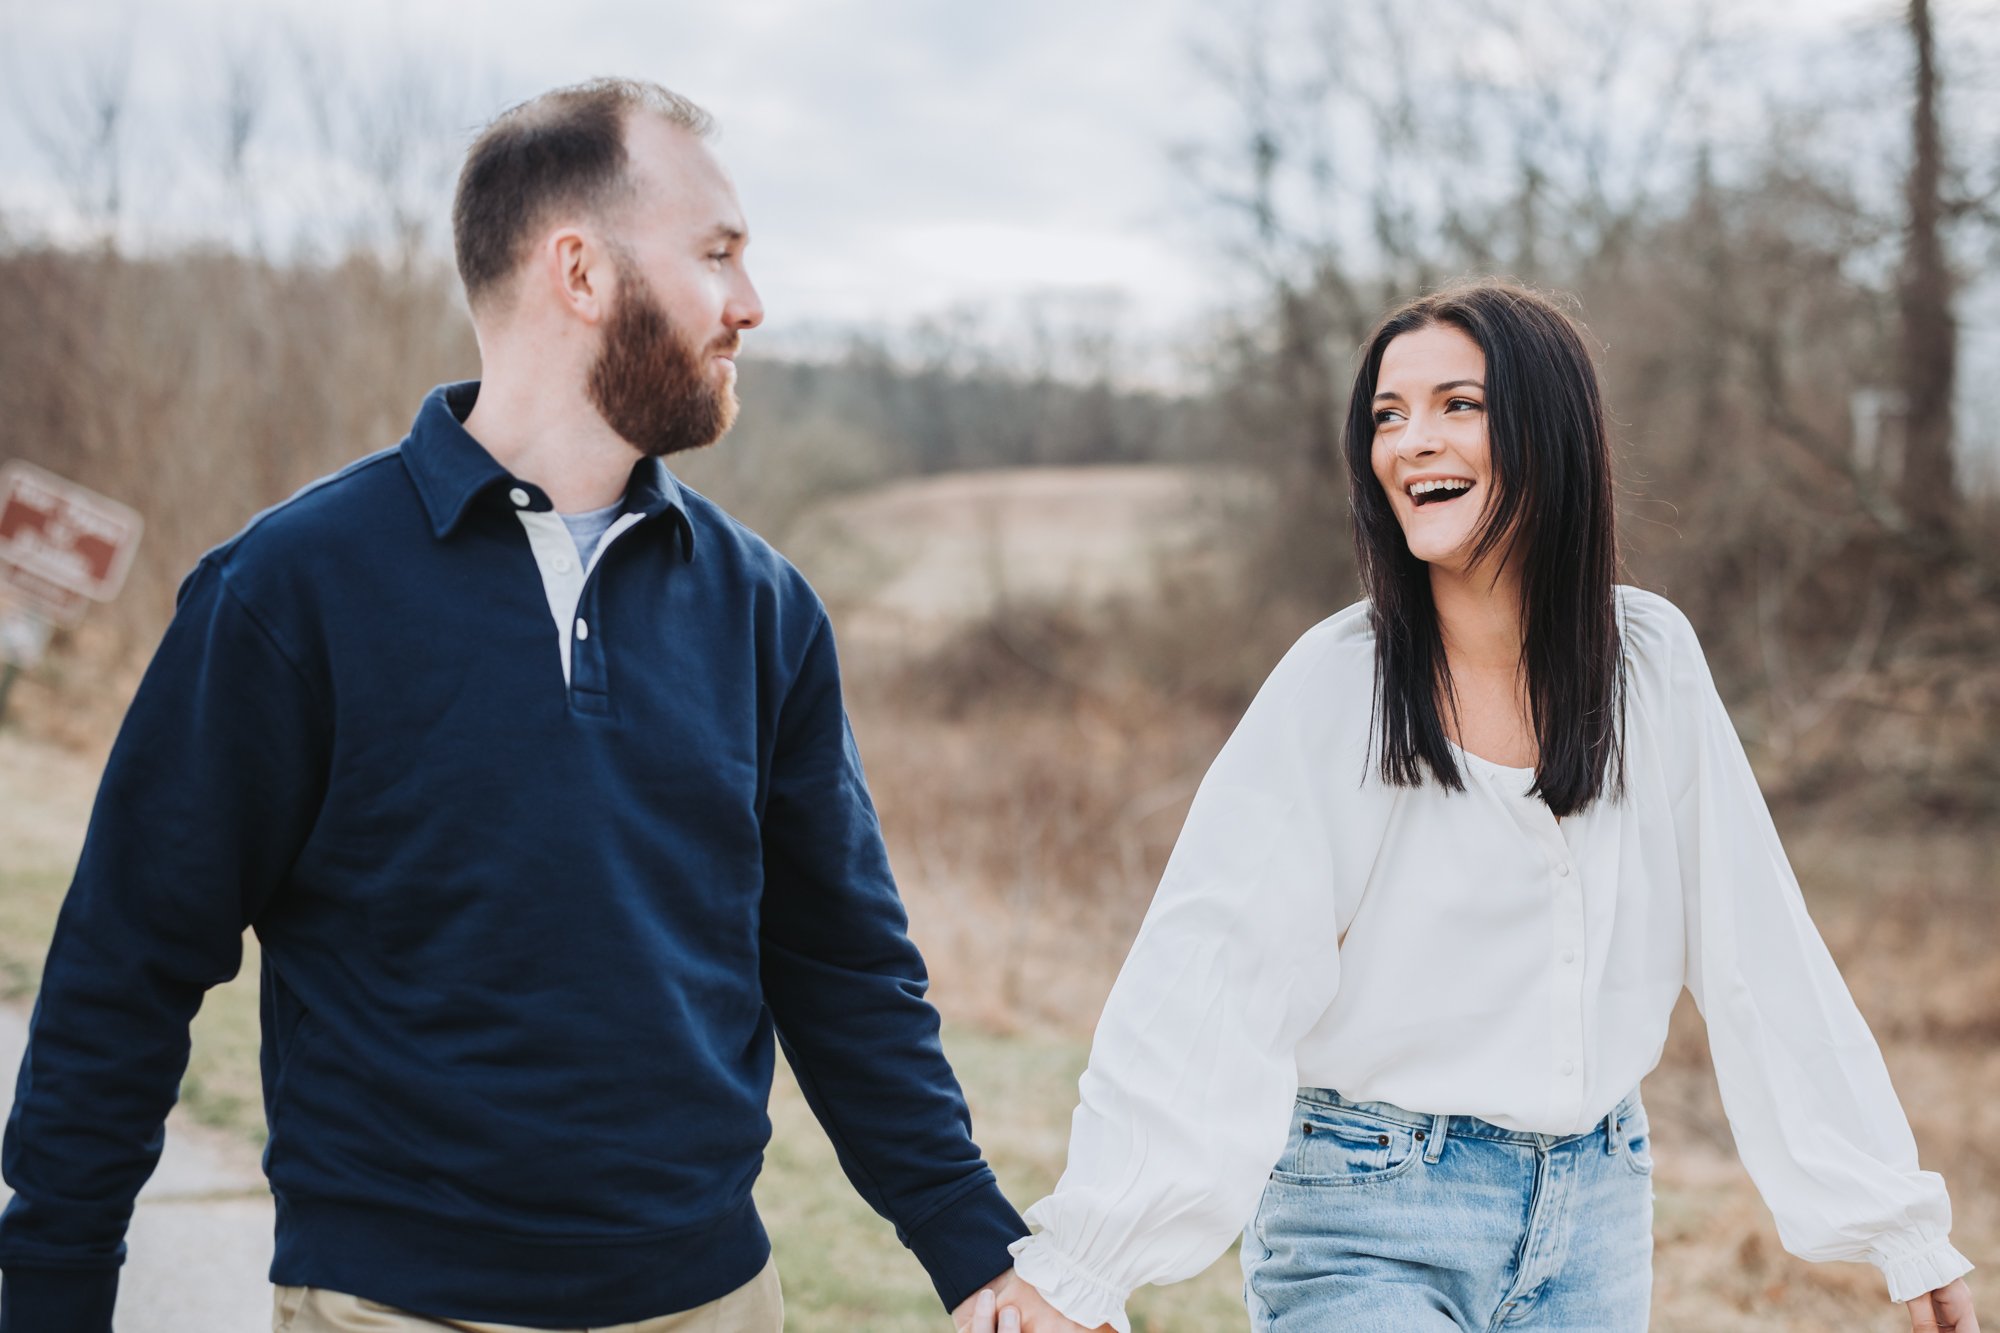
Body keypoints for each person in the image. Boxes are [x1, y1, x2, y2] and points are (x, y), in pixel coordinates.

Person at [0, 77, 1078, 1333]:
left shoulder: (760, 607)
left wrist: (977, 1252)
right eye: (716, 253)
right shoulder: (289, 592)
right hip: (398, 1307)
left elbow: (839, 966)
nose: (750, 303)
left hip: (714, 1302)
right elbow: (126, 966)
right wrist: (54, 1289)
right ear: (579, 269)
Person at [999, 282, 1979, 1331]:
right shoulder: (1337, 683)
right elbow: (1211, 970)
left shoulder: (1648, 665)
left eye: (1455, 404)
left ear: (1546, 430)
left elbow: (1760, 954)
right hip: (1365, 1215)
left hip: (1596, 1212)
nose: (1410, 441)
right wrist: (1089, 1259)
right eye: (1386, 413)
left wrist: (1893, 1224)